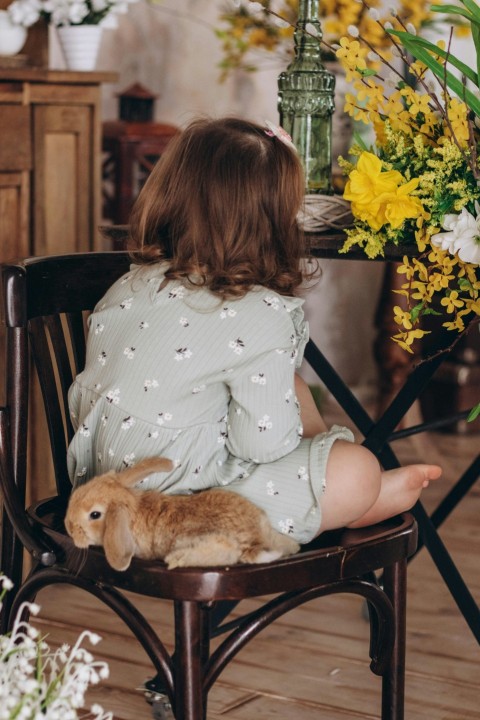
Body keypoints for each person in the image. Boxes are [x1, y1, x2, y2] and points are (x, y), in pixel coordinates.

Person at [67, 116, 441, 545]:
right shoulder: (260, 313)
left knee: (289, 389)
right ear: (276, 224)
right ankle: (347, 496)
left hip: (98, 495)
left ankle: (332, 484)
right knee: (357, 471)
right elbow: (261, 447)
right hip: (175, 510)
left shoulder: (129, 283)